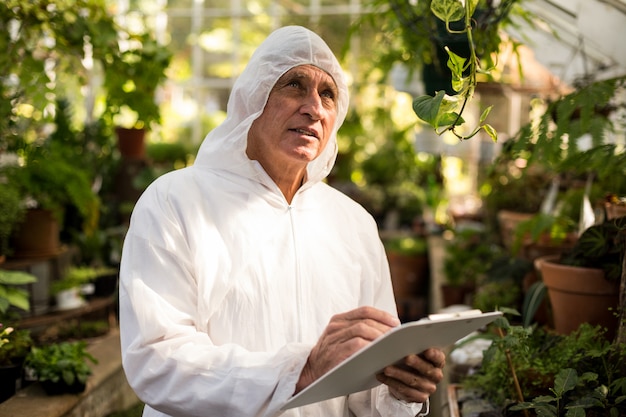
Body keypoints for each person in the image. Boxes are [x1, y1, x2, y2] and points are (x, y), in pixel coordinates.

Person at [119, 25, 445, 417]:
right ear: (252, 98)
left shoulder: (354, 224)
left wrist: (401, 389)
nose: (315, 107)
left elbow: (364, 387)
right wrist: (301, 370)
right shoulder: (175, 201)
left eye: (328, 94)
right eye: (294, 85)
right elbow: (158, 360)